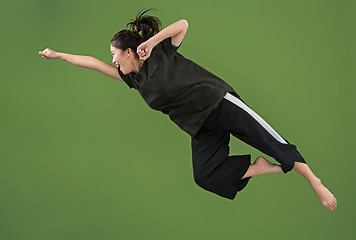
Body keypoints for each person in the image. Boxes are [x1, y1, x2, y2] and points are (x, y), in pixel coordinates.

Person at [39, 8, 337, 211]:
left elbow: (183, 24)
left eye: (115, 55)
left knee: (270, 139)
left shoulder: (161, 52)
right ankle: (259, 168)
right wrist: (58, 55)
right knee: (206, 175)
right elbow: (92, 62)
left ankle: (315, 181)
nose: (114, 61)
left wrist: (153, 41)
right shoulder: (134, 80)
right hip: (201, 125)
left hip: (218, 101)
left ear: (129, 51)